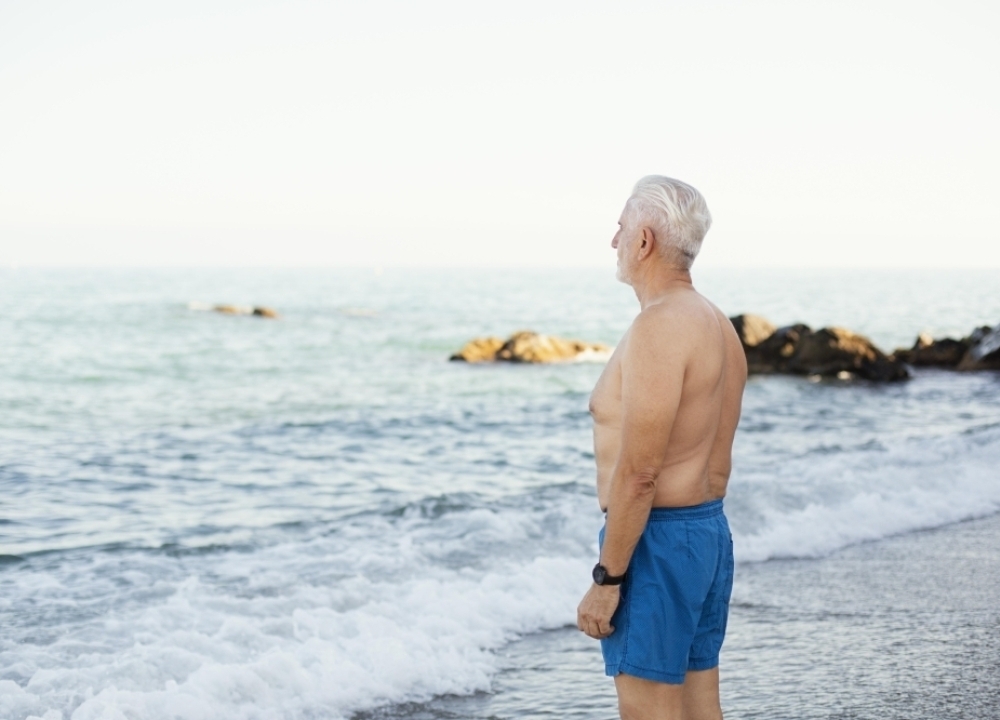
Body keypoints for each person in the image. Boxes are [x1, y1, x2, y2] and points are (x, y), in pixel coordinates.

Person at [577, 176, 747, 720]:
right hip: (706, 534)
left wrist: (608, 580)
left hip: (657, 542)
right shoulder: (718, 325)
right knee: (700, 711)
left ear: (645, 240)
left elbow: (640, 473)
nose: (614, 242)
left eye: (621, 228)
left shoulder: (660, 326)